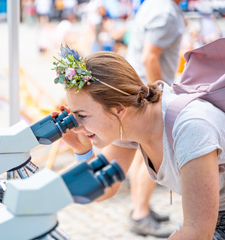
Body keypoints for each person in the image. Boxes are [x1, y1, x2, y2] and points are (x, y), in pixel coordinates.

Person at [52, 44, 225, 239]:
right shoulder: (129, 120)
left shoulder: (190, 128)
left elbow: (197, 232)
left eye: (81, 116)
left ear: (118, 109)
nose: (76, 127)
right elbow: (106, 188)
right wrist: (82, 150)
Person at [125, 0, 185, 236]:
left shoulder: (155, 4)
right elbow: (151, 57)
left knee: (142, 156)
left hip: (136, 86)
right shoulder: (166, 12)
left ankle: (139, 209)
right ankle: (140, 215)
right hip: (146, 89)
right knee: (155, 155)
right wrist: (159, 96)